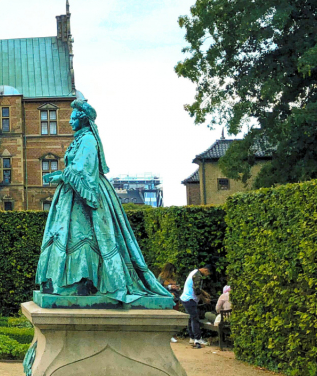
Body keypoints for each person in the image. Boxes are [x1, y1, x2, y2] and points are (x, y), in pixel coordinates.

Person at [34, 98, 171, 303]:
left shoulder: (88, 139)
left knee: (85, 236)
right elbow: (76, 167)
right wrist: (60, 176)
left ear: (82, 120)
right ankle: (71, 282)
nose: (70, 122)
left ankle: (85, 282)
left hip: (87, 197)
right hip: (72, 196)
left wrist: (63, 176)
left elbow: (84, 169)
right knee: (68, 236)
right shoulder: (80, 139)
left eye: (73, 119)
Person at [180, 265, 213, 348]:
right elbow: (197, 290)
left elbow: (194, 286)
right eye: (208, 273)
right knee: (195, 319)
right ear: (206, 270)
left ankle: (192, 337)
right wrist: (204, 299)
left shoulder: (194, 272)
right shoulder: (198, 276)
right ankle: (198, 339)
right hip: (190, 299)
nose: (207, 275)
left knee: (191, 318)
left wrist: (204, 293)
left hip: (185, 298)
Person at [157, 263, 182, 342]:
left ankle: (173, 334)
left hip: (175, 298)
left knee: (175, 318)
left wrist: (177, 288)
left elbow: (178, 287)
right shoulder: (161, 277)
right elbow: (158, 287)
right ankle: (167, 334)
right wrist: (169, 287)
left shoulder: (173, 277)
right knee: (167, 317)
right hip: (166, 299)